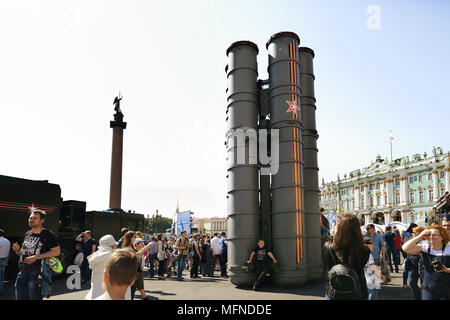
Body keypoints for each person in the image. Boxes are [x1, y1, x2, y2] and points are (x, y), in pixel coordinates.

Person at [12, 209, 60, 300]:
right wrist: (17, 251)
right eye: (30, 218)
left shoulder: (48, 234)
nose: (31, 220)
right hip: (22, 273)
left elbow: (56, 252)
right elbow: (24, 253)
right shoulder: (27, 234)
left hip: (36, 274)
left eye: (35, 218)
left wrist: (37, 257)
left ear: (42, 221)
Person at [323, 214, 370, 300]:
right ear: (357, 230)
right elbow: (360, 268)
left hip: (334, 290)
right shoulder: (364, 250)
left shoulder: (328, 247)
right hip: (357, 291)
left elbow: (327, 269)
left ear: (339, 228)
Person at [402, 224, 450, 300]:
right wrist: (420, 236)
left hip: (446, 288)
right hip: (428, 287)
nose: (431, 237)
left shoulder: (448, 249)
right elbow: (405, 248)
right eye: (429, 234)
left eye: (434, 235)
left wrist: (446, 270)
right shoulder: (425, 247)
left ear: (442, 236)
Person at [84, 234, 118, 300]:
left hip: (96, 285)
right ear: (111, 245)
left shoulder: (96, 255)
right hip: (108, 287)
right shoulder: (113, 256)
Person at [401, 223, 418, 288]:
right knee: (407, 267)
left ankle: (406, 283)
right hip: (408, 252)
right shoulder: (407, 234)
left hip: (408, 252)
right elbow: (405, 242)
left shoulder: (406, 233)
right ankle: (405, 283)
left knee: (407, 267)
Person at [0, 229, 11, 295]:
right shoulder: (7, 241)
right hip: (4, 259)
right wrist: (6, 261)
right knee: (1, 277)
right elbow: (8, 253)